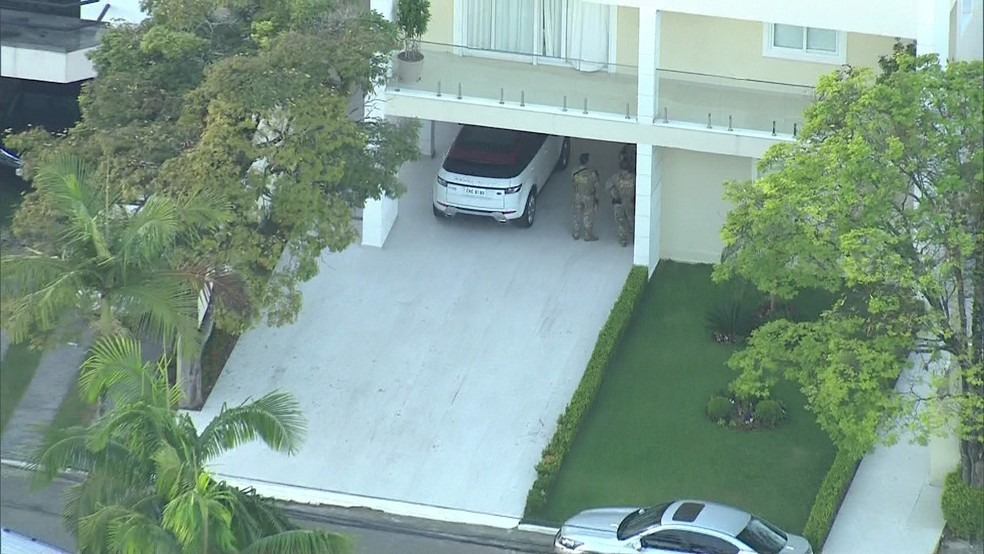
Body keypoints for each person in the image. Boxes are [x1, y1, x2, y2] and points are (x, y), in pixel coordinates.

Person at [605, 158, 636, 247]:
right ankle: (633, 236)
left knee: (621, 222)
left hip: (619, 203)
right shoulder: (633, 178)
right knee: (631, 220)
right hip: (629, 203)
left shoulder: (615, 177)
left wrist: (613, 195)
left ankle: (623, 239)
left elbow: (608, 187)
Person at [571, 153, 600, 242]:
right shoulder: (592, 174)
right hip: (588, 197)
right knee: (588, 216)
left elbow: (573, 183)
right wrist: (596, 199)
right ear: (587, 161)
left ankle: (576, 233)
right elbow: (597, 186)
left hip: (578, 195)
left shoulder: (574, 172)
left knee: (577, 215)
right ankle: (588, 235)